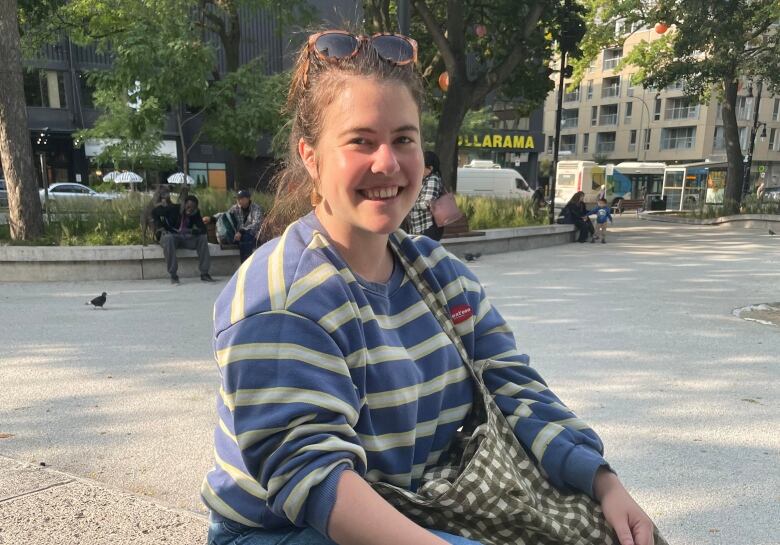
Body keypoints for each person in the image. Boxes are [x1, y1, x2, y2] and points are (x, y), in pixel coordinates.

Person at [202, 29, 656, 545]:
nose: (387, 163)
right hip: (283, 529)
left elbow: (511, 385)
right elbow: (314, 480)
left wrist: (604, 482)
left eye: (403, 139)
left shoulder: (440, 273)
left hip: (412, 503)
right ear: (311, 155)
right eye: (361, 141)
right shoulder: (280, 295)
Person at [152, 194, 215, 284]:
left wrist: (191, 231)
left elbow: (203, 230)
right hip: (170, 237)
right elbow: (154, 212)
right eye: (188, 206)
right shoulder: (173, 208)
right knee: (169, 238)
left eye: (193, 207)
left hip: (184, 238)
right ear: (184, 205)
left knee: (202, 238)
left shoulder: (195, 213)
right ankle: (173, 275)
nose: (190, 209)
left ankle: (204, 273)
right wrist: (160, 227)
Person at [408, 150, 445, 240]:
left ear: (430, 168)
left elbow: (428, 203)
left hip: (428, 227)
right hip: (420, 226)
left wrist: (409, 204)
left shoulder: (432, 179)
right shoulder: (425, 179)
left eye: (421, 166)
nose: (418, 168)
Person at [227, 189, 264, 262]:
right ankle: (244, 265)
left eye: (241, 198)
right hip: (239, 236)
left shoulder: (256, 208)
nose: (239, 201)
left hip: (253, 235)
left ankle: (246, 264)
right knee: (241, 239)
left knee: (246, 238)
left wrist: (242, 231)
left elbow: (256, 223)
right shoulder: (235, 208)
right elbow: (225, 215)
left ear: (248, 199)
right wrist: (211, 218)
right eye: (238, 198)